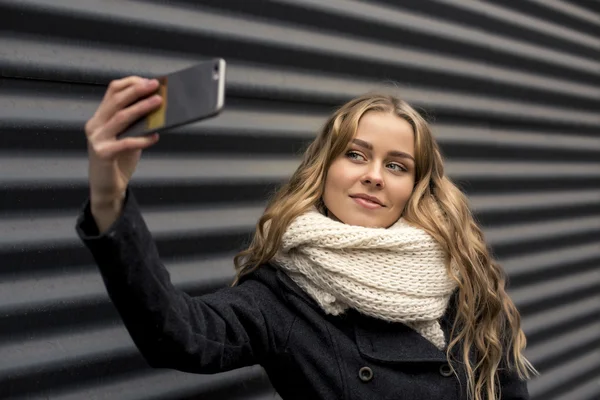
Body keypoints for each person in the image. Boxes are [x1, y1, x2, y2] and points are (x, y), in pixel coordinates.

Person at [77, 76, 537, 400]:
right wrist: (109, 197)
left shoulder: (458, 272)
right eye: (356, 155)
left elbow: (508, 389)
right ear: (325, 170)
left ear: (415, 187)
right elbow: (178, 334)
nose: (374, 176)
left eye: (396, 165)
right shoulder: (284, 295)